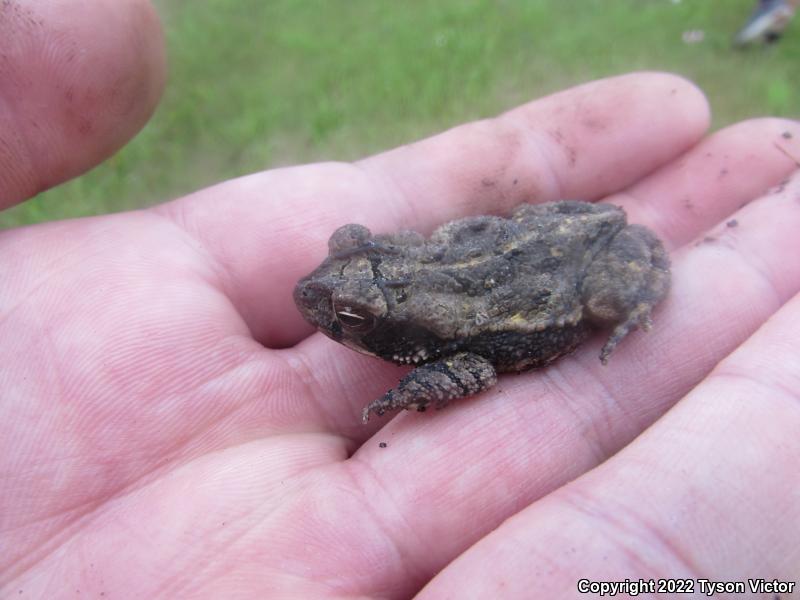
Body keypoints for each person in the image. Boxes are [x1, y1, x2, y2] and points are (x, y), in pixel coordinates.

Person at [1, 1, 799, 597]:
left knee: (603, 299)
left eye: (347, 321)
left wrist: (413, 390)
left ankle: (636, 298)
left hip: (561, 273)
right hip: (511, 252)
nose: (321, 302)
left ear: (398, 335)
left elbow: (475, 369)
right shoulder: (417, 278)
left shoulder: (442, 339)